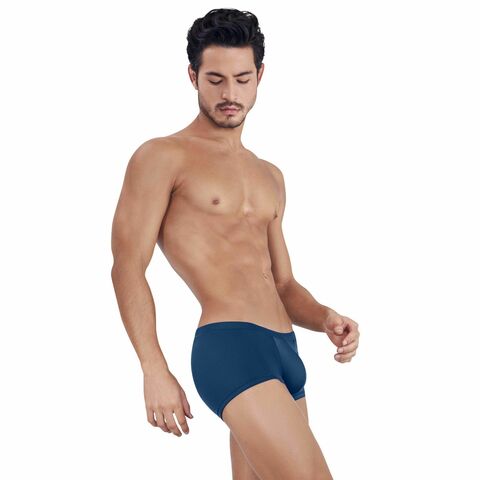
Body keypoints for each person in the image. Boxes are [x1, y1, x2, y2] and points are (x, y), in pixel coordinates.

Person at [110, 8, 360, 480]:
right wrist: (153, 368)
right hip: (231, 347)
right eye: (216, 79)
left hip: (286, 352)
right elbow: (127, 265)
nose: (230, 94)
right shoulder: (162, 156)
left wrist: (324, 316)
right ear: (193, 77)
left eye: (242, 79)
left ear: (260, 76)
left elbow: (283, 284)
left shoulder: (270, 176)